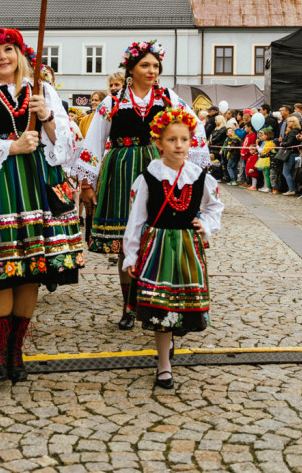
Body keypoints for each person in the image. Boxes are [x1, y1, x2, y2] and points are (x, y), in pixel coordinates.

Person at [0, 28, 82, 383]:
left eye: (9, 49)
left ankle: (16, 349)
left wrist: (47, 119)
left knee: (31, 271)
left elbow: (69, 146)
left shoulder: (42, 91)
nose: (2, 56)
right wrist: (10, 147)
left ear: (20, 54)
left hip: (36, 184)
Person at [76, 40, 207, 330]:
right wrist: (88, 181)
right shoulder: (113, 101)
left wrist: (190, 167)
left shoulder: (168, 98)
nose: (152, 71)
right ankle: (128, 306)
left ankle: (156, 298)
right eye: (145, 65)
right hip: (120, 169)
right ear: (130, 69)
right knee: (127, 239)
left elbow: (193, 126)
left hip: (155, 167)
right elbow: (95, 141)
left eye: (156, 66)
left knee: (158, 234)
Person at [122, 108, 223, 389]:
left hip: (188, 250)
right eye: (172, 140)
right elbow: (136, 219)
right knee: (161, 309)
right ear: (158, 142)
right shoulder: (149, 177)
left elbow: (215, 206)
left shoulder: (200, 176)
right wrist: (131, 254)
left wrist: (206, 225)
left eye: (184, 140)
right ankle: (164, 364)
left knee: (180, 306)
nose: (179, 146)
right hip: (158, 248)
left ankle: (170, 342)